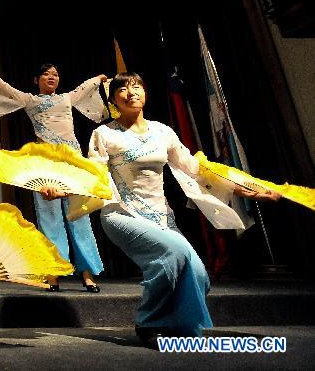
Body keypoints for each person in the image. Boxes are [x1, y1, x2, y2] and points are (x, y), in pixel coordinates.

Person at [80, 72, 279, 346]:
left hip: (161, 216)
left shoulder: (162, 131)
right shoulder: (104, 133)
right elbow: (93, 173)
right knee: (173, 254)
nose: (131, 92)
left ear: (145, 92)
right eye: (122, 89)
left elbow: (194, 168)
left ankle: (176, 324)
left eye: (136, 86)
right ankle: (149, 322)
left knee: (197, 273)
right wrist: (64, 189)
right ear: (114, 99)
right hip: (121, 213)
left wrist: (240, 187)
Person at [0, 63, 107, 292]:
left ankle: (87, 274)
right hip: (44, 165)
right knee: (50, 220)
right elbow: (3, 87)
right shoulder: (31, 100)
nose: (52, 77)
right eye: (46, 74)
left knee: (80, 217)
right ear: (36, 79)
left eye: (55, 74)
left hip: (72, 163)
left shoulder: (67, 98)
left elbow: (85, 87)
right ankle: (52, 273)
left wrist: (99, 78)